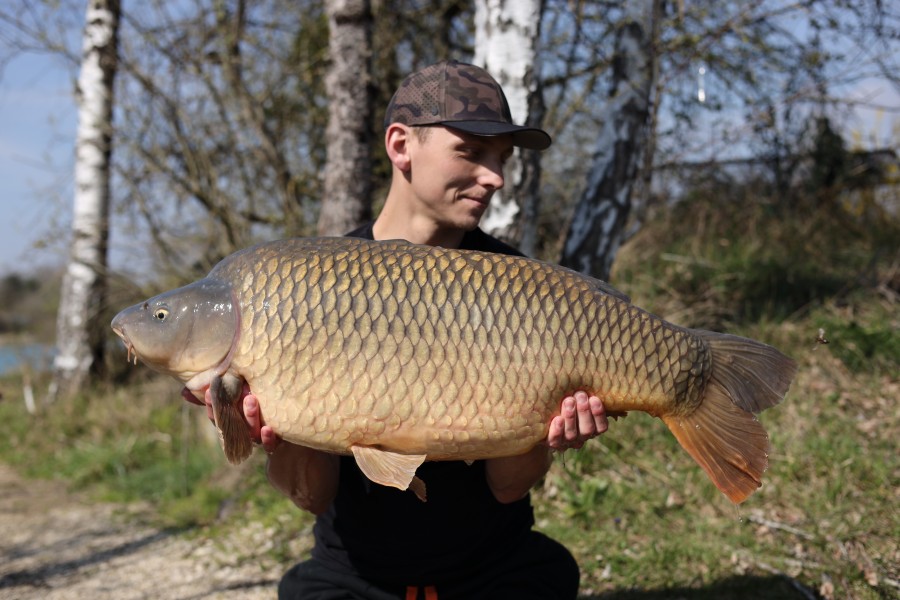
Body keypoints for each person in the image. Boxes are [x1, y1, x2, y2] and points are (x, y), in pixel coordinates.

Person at [189, 60, 608, 599]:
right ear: (401, 144)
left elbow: (507, 489)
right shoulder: (309, 285)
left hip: (492, 569)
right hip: (358, 576)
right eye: (472, 152)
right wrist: (275, 435)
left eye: (501, 159)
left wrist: (547, 434)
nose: (496, 177)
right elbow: (312, 497)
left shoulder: (519, 291)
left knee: (546, 574)